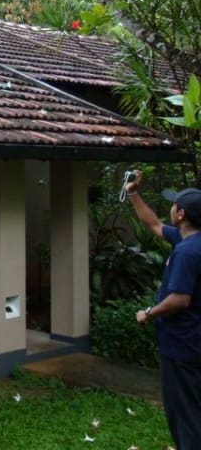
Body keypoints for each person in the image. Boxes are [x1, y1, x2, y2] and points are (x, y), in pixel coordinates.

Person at [124, 170, 201, 449]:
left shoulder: (187, 252)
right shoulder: (189, 240)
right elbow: (154, 224)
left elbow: (180, 299)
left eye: (173, 205)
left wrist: (149, 313)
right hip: (194, 344)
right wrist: (133, 193)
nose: (170, 209)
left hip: (184, 347)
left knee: (185, 416)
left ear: (180, 214)